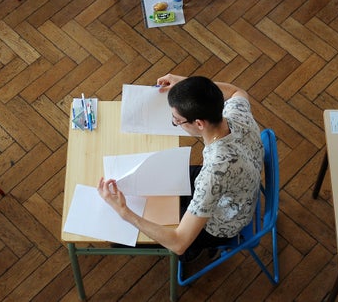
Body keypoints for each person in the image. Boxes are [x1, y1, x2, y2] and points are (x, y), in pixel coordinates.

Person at [98, 74, 264, 262]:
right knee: (162, 179)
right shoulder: (237, 114)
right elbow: (236, 91)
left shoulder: (214, 173)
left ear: (199, 123)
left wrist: (124, 212)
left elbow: (178, 243)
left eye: (177, 120)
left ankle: (194, 253)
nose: (175, 123)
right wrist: (186, 86)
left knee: (121, 239)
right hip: (240, 182)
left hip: (223, 222)